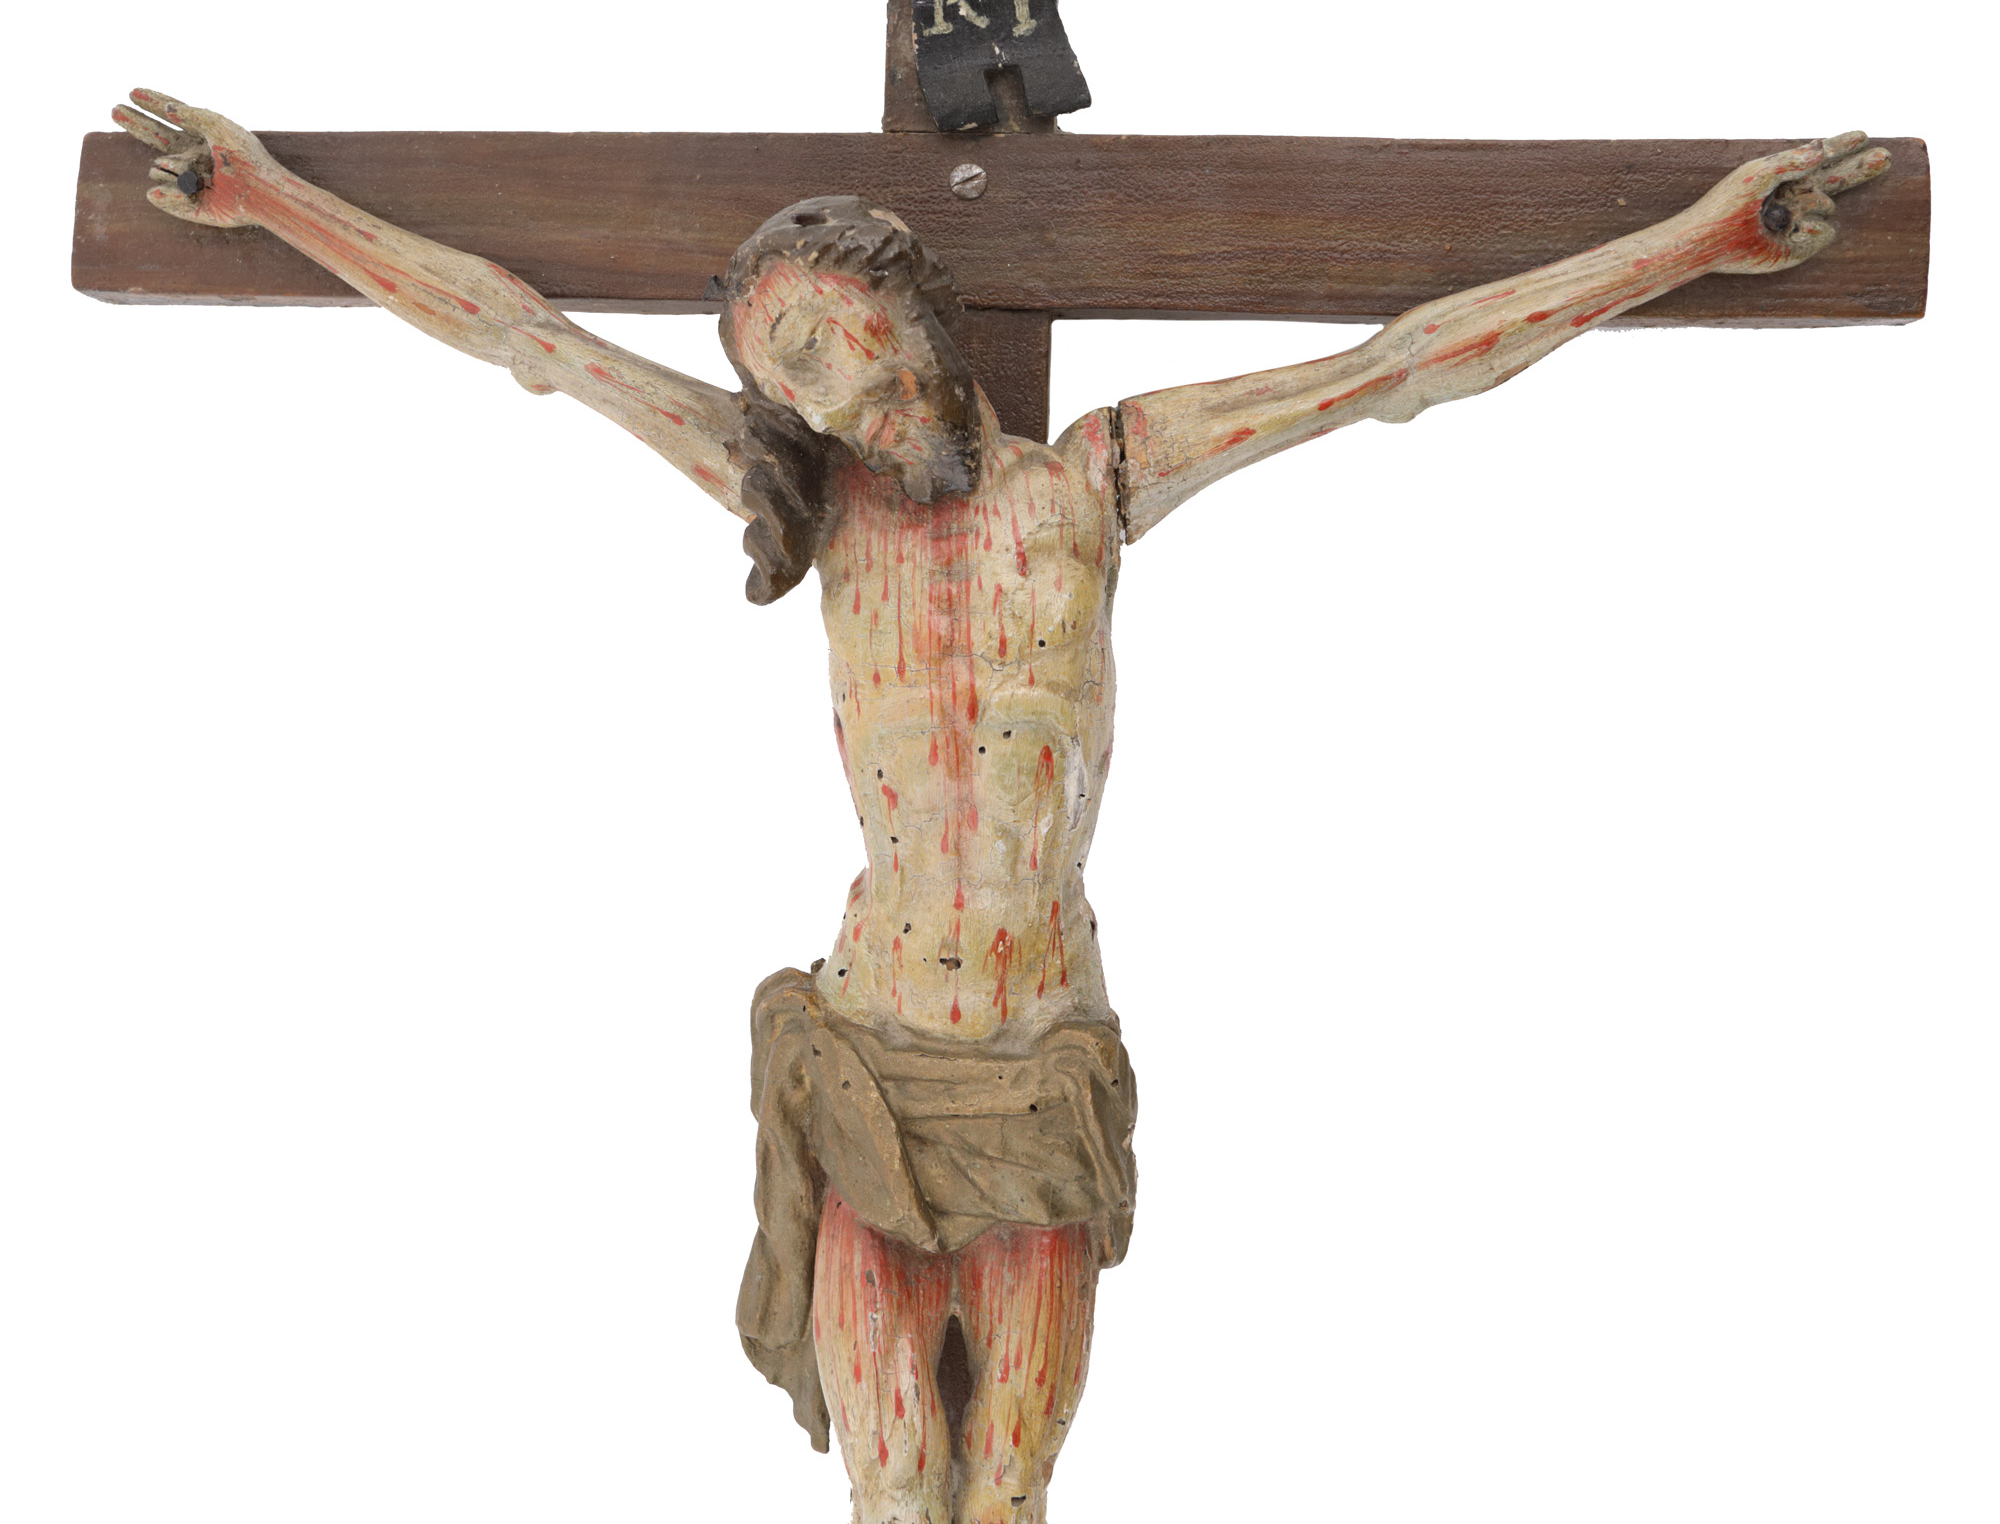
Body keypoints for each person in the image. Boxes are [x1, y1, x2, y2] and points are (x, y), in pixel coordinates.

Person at [110, 88, 1888, 1524]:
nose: (833, 398)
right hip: (870, 1055)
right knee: (893, 1492)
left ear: (914, 307)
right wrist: (269, 200)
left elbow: (1402, 363)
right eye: (789, 380)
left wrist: (1700, 240)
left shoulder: (1099, 477)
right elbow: (531, 340)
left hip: (1036, 1066)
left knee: (1008, 1494)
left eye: (838, 343)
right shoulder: (814, 507)